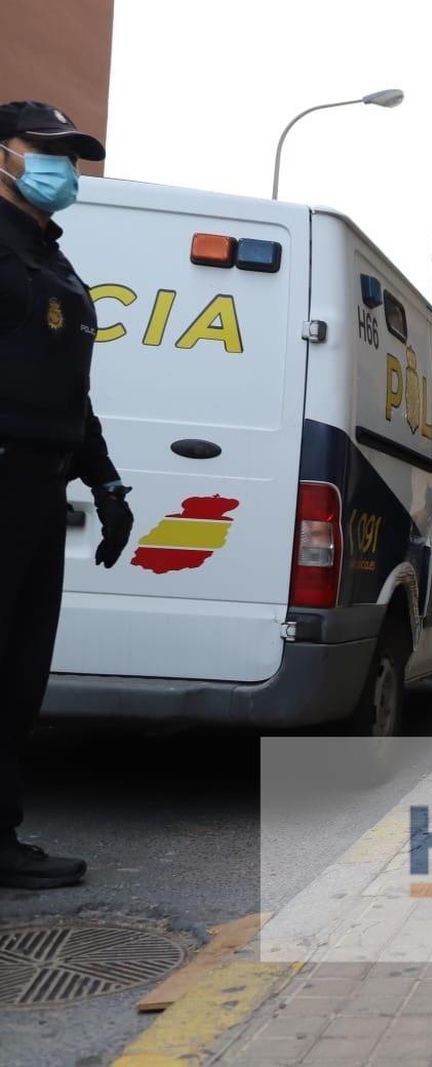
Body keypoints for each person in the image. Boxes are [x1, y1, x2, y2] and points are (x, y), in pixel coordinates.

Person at [0, 101, 132, 889]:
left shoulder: (54, 262)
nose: (64, 167)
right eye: (44, 149)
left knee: (19, 677)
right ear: (4, 155)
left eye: (72, 155)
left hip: (39, 490)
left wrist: (105, 482)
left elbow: (69, 393)